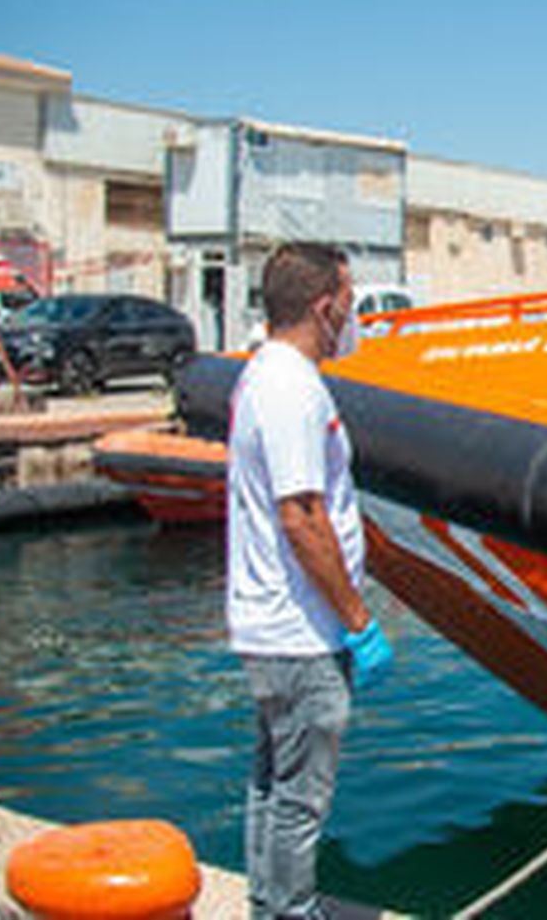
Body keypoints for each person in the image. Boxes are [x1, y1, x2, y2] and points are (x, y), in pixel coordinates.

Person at [228, 241, 393, 919]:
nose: (353, 321)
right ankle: (289, 911)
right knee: (300, 797)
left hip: (269, 626)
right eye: (350, 305)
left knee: (271, 783)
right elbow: (301, 516)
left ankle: (268, 905)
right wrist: (359, 620)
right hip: (301, 633)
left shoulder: (259, 375)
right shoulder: (293, 388)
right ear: (325, 307)